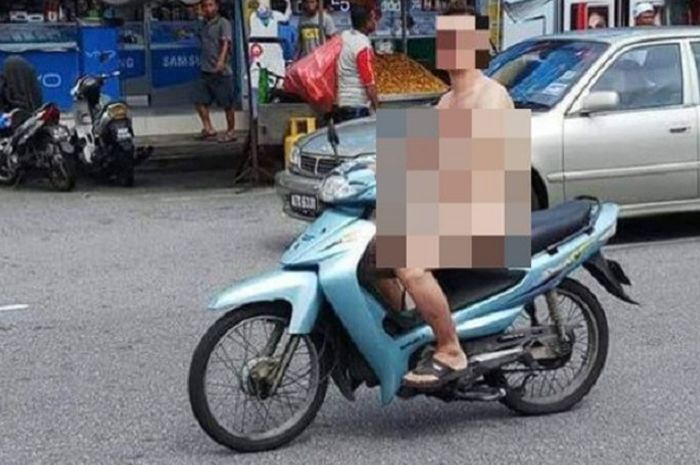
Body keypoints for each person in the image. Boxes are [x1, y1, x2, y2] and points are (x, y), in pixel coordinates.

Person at [377, 0, 514, 389]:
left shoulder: (491, 96)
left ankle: (450, 348)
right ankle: (417, 323)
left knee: (409, 263)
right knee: (370, 251)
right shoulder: (446, 101)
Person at [192, 0, 237, 143]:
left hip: (221, 71)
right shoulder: (203, 24)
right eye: (205, 6)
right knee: (199, 100)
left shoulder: (223, 23)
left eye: (210, 5)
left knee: (227, 104)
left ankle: (231, 131)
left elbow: (226, 42)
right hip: (206, 69)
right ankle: (208, 128)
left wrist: (221, 61)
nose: (208, 8)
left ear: (217, 7)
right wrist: (198, 13)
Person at [333, 3, 380, 124]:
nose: (375, 22)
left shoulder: (344, 36)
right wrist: (378, 108)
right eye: (373, 19)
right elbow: (369, 83)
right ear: (367, 22)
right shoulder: (363, 46)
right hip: (357, 106)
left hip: (342, 103)